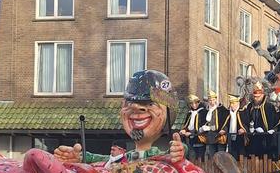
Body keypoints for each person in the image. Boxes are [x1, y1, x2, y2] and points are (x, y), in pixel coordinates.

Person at [54, 69, 184, 165]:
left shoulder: (163, 158)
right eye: (129, 103)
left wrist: (179, 152)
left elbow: (175, 156)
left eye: (150, 104)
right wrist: (80, 157)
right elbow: (105, 161)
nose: (136, 108)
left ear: (168, 112)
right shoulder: (124, 160)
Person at [243, 80, 278, 157]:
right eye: (255, 96)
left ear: (262, 95)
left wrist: (265, 129)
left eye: (259, 96)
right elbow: (246, 120)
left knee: (265, 158)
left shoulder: (269, 106)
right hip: (253, 137)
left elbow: (272, 121)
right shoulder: (249, 107)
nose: (256, 98)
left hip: (265, 138)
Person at [180, 94, 206, 161]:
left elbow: (202, 127)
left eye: (195, 103)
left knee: (200, 157)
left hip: (200, 138)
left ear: (198, 102)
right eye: (192, 103)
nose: (194, 105)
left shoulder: (203, 112)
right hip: (191, 138)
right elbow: (187, 124)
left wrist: (191, 133)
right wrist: (184, 130)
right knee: (192, 156)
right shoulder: (189, 113)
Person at [221, 95, 248, 159]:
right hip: (230, 139)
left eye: (233, 103)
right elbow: (226, 124)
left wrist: (243, 129)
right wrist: (224, 129)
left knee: (241, 156)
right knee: (231, 157)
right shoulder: (228, 113)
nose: (232, 105)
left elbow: (247, 123)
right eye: (231, 103)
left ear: (237, 103)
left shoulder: (243, 112)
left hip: (240, 138)